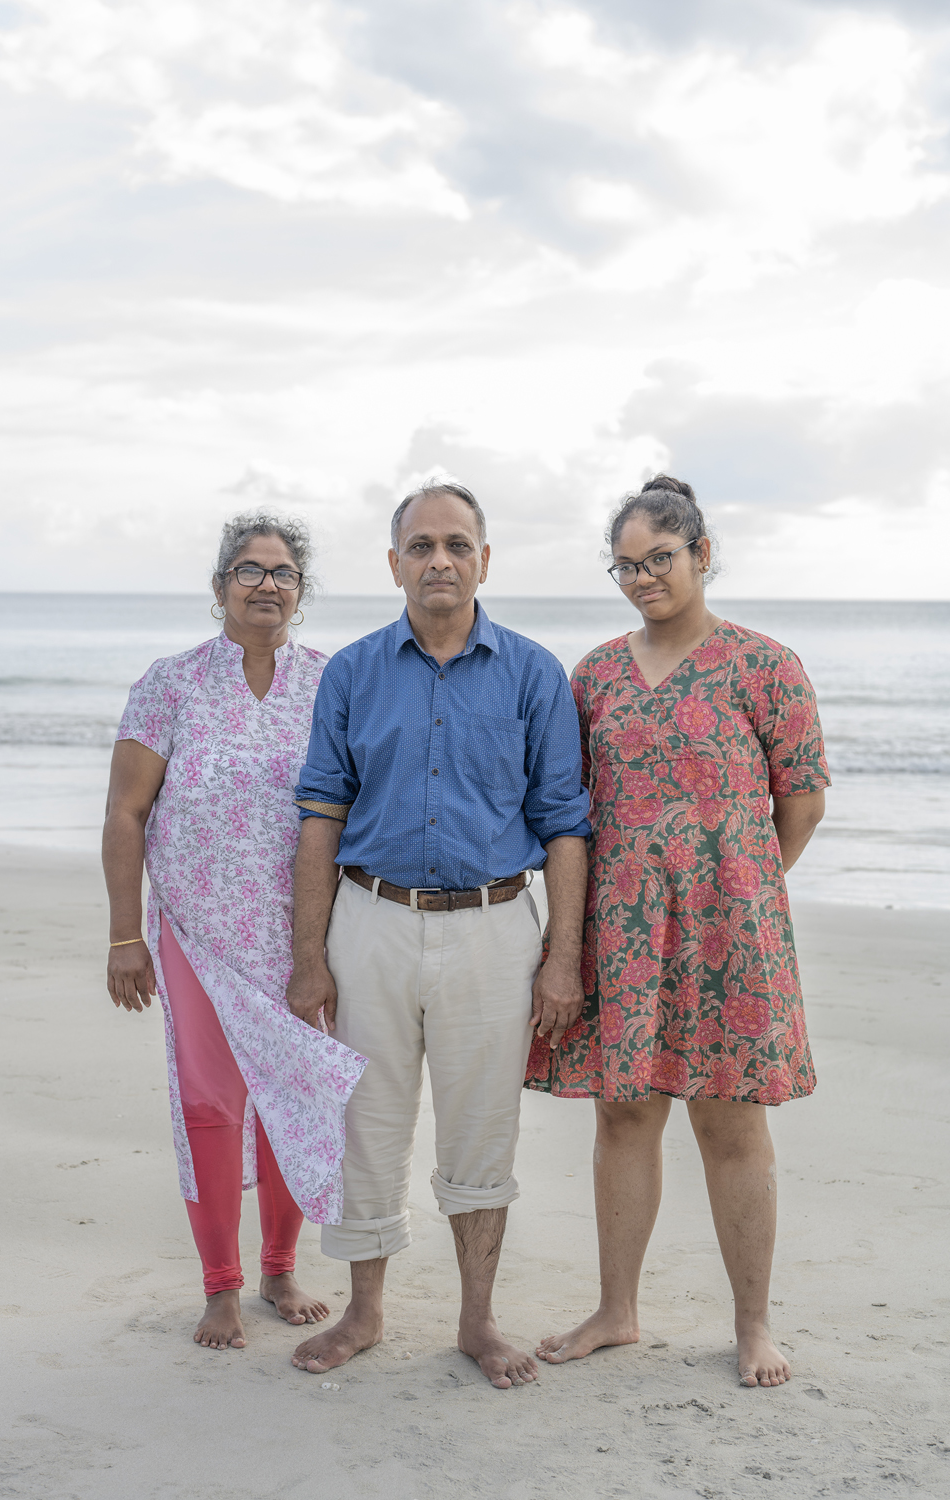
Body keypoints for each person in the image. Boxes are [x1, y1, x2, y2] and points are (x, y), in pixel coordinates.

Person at [285, 479, 591, 1389]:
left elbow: (566, 822)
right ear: (394, 565)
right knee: (367, 1124)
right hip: (369, 922)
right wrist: (310, 962)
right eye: (420, 546)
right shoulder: (352, 673)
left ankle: (476, 1320)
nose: (440, 561)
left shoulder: (534, 673)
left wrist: (562, 958)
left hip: (497, 928)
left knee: (481, 1131)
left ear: (484, 560)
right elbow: (320, 815)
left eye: (457, 544)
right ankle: (365, 1313)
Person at [527, 475, 828, 1389]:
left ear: (701, 554)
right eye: (625, 564)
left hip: (731, 933)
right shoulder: (597, 674)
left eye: (659, 558)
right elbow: (569, 811)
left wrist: (737, 892)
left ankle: (752, 1324)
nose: (641, 577)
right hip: (621, 933)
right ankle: (618, 1312)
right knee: (624, 1116)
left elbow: (803, 802)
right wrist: (575, 938)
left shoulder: (764, 665)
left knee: (731, 1123)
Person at [102, 512, 366, 1352]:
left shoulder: (333, 682)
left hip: (303, 939)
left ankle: (281, 1268)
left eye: (283, 572)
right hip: (195, 933)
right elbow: (126, 812)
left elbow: (358, 807)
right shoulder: (170, 683)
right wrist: (123, 938)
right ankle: (221, 1286)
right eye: (248, 570)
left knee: (296, 1095)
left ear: (301, 591)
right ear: (220, 588)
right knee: (212, 1106)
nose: (266, 584)